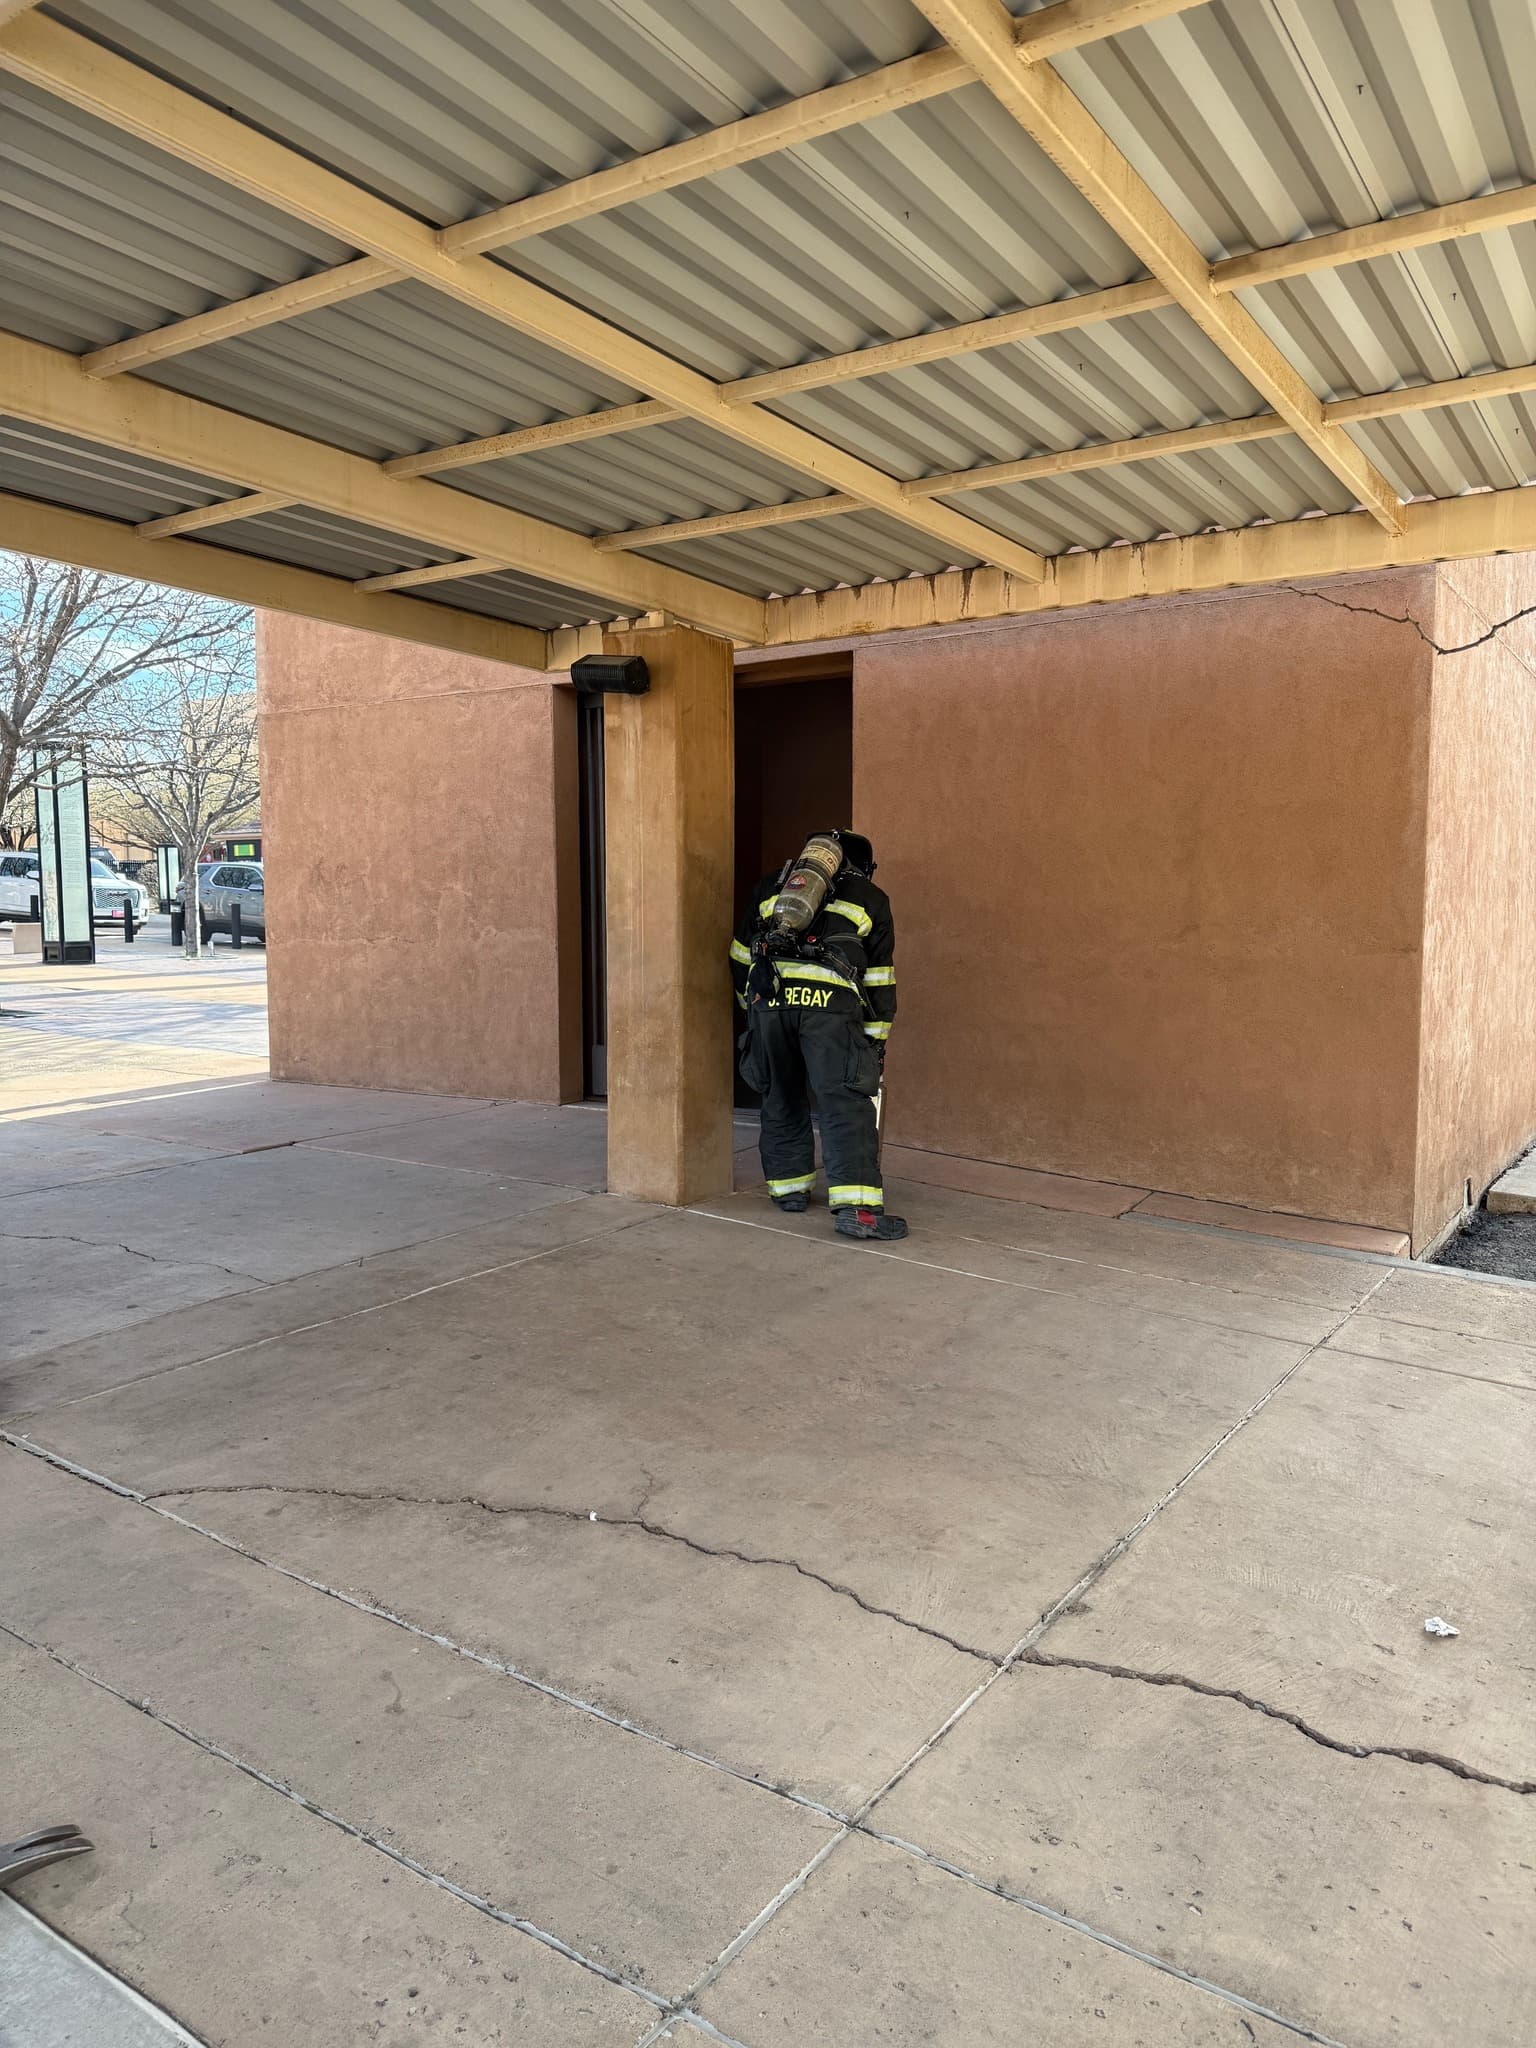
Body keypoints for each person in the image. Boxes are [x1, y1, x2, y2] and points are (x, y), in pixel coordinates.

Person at [730, 828, 907, 1241]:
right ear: (860, 865)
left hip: (768, 1005)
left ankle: (789, 1191)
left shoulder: (772, 886)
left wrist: (754, 1011)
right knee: (844, 1101)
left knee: (780, 1094)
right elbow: (879, 979)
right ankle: (857, 1207)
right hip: (829, 1009)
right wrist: (875, 1039)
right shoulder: (871, 898)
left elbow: (740, 955)